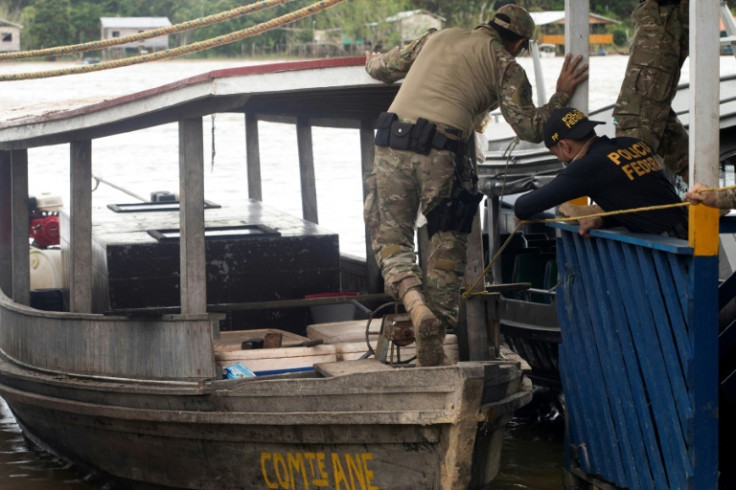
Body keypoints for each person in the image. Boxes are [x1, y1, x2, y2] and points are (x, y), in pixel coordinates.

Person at [363, 4, 589, 366]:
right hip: (441, 149)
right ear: (518, 44)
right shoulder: (507, 66)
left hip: (390, 141)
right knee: (446, 243)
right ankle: (433, 339)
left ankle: (415, 305)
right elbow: (531, 129)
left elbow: (382, 68)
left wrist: (370, 60)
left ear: (487, 25)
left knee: (391, 239)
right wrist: (560, 96)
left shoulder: (437, 37)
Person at [514, 107, 688, 238]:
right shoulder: (632, 143)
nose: (560, 159)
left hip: (669, 250)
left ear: (565, 146)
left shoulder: (589, 167)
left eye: (555, 153)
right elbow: (640, 201)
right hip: (689, 233)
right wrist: (604, 219)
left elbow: (523, 207)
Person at [613, 0, 689, 181]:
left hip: (664, 14)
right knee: (654, 117)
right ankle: (703, 189)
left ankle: (624, 197)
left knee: (635, 113)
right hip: (663, 16)